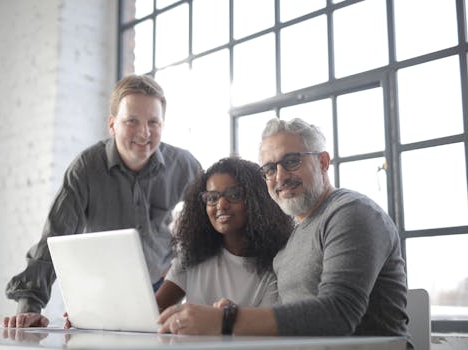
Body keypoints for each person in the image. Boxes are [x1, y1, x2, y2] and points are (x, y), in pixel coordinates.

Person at [157, 117, 412, 348]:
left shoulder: (351, 212)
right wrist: (233, 314)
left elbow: (339, 314)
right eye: (269, 169)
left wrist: (227, 319)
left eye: (291, 161)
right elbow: (292, 320)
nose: (280, 176)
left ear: (323, 162)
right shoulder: (291, 241)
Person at [3, 74, 202, 328]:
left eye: (154, 122)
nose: (144, 132)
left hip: (165, 288)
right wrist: (29, 306)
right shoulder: (85, 169)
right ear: (112, 125)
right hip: (102, 292)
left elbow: (208, 229)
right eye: (132, 121)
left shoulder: (184, 166)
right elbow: (53, 239)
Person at [155, 157, 293, 316]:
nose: (221, 205)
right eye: (212, 198)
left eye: (234, 195)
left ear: (257, 200)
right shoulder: (192, 255)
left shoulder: (277, 264)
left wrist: (231, 319)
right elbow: (155, 310)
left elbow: (269, 330)